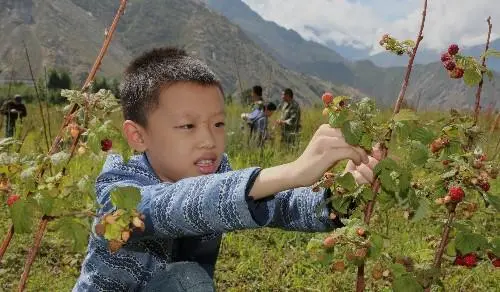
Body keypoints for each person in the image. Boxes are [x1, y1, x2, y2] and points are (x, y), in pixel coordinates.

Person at [73, 47, 378, 291]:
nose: (209, 139)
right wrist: (293, 171)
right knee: (189, 280)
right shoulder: (119, 186)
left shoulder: (218, 173)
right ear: (138, 136)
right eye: (187, 126)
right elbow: (170, 206)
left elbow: (280, 204)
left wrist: (340, 193)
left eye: (218, 123)